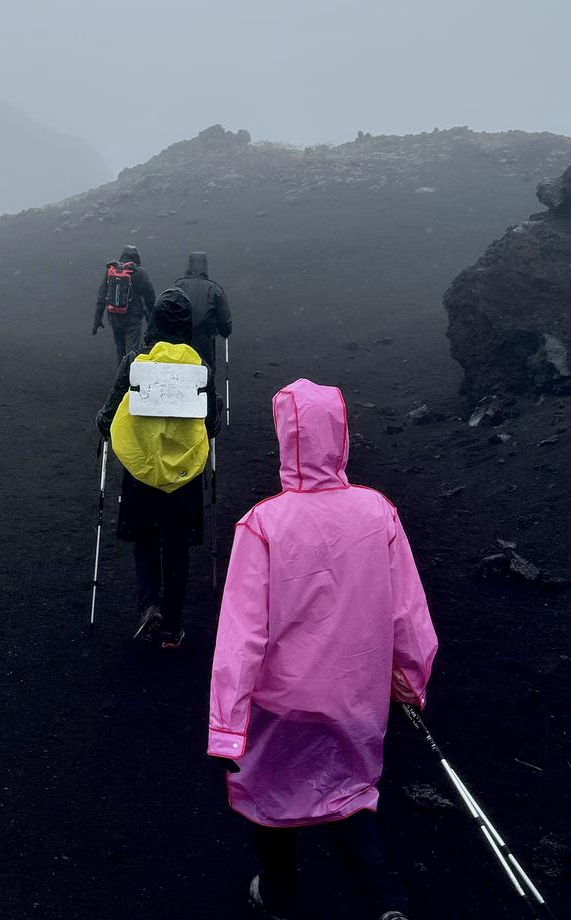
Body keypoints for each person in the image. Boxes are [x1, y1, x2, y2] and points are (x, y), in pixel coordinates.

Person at [207, 378, 438, 920]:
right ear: (341, 436)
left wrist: (227, 724)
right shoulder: (378, 513)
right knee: (349, 792)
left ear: (285, 439)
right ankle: (386, 903)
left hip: (281, 707)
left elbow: (241, 635)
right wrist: (407, 680)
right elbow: (409, 613)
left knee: (271, 803)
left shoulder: (262, 524)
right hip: (356, 696)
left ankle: (280, 898)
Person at [95, 288, 220, 648]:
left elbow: (110, 413)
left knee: (146, 539)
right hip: (184, 477)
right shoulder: (201, 370)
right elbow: (212, 425)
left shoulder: (136, 362)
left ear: (156, 322)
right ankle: (173, 628)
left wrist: (103, 424)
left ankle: (149, 605)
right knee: (177, 547)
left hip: (142, 472)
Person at [93, 244, 156, 362]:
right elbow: (150, 297)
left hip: (115, 317)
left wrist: (98, 319)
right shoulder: (140, 272)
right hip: (133, 319)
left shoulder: (112, 270)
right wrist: (152, 319)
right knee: (132, 351)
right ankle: (129, 376)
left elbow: (102, 296)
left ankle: (120, 375)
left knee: (120, 351)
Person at [173, 251, 232, 371]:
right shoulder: (213, 289)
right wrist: (225, 331)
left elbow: (167, 310)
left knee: (182, 368)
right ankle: (206, 389)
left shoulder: (178, 286)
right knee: (204, 370)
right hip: (204, 340)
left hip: (181, 339)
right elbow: (224, 317)